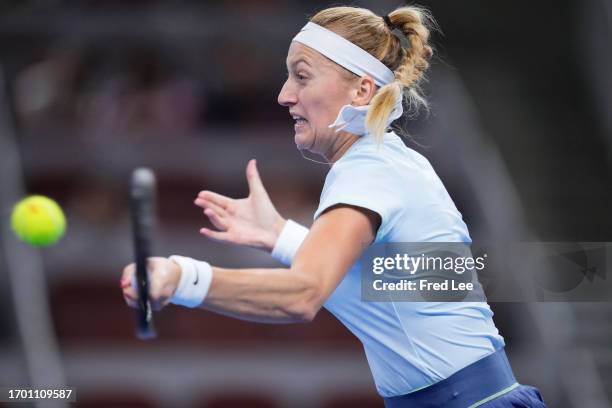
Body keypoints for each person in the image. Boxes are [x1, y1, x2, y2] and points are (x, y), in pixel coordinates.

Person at [121, 5, 546, 407]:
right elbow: (394, 286)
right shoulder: (393, 161)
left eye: (302, 77)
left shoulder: (369, 172)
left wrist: (182, 278)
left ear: (362, 89)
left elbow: (303, 295)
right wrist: (283, 237)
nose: (285, 95)